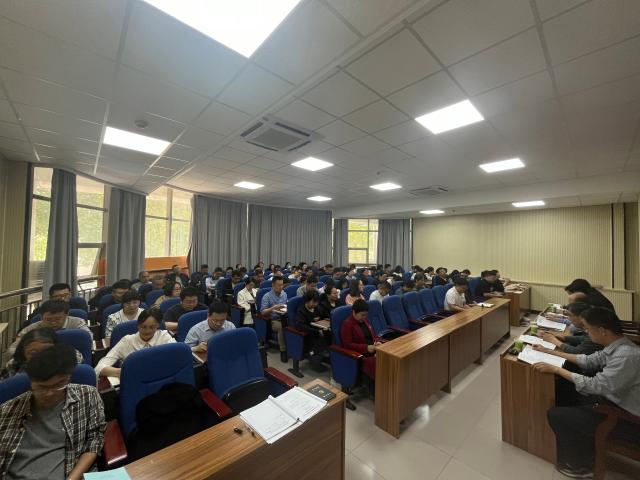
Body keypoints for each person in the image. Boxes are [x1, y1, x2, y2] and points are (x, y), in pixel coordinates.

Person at [532, 307, 640, 478]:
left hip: (626, 418)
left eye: (588, 329)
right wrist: (548, 351)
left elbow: (594, 385)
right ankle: (577, 442)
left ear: (602, 330)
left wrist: (557, 369)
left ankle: (581, 465)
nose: (586, 333)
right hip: (613, 401)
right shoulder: (619, 345)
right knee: (564, 389)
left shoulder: (626, 356)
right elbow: (588, 361)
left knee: (556, 414)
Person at [0, 343, 105, 479]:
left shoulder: (87, 396)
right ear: (31, 382)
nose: (49, 393)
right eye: (42, 387)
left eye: (57, 385)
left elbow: (94, 441)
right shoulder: (8, 411)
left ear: (67, 378)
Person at [95, 308, 175, 378]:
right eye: (143, 327)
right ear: (138, 325)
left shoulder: (164, 337)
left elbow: (178, 357)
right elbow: (99, 368)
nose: (147, 331)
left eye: (152, 327)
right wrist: (123, 372)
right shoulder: (127, 341)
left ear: (158, 325)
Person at [6, 300, 91, 361]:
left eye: (57, 319)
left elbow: (89, 338)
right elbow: (11, 350)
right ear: (41, 317)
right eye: (48, 319)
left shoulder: (77, 322)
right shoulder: (31, 328)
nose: (53, 323)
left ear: (66, 315)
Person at [2, 328, 83, 379]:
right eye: (33, 353)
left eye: (46, 351)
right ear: (23, 354)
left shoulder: (72, 355)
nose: (41, 357)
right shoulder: (14, 364)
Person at [538, 303, 602, 355]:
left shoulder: (594, 331)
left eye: (570, 315)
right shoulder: (589, 328)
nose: (568, 318)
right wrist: (563, 337)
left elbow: (576, 352)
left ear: (580, 317)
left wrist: (553, 340)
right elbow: (583, 338)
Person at [341, 300, 382, 380]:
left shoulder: (365, 320)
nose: (364, 317)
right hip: (361, 355)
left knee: (389, 357)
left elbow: (372, 335)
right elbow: (347, 344)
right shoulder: (347, 324)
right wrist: (366, 348)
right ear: (354, 312)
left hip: (373, 350)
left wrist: (376, 342)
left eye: (366, 315)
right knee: (379, 363)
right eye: (362, 315)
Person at [295, 290, 331, 369]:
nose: (315, 304)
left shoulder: (317, 308)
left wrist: (327, 319)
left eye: (317, 302)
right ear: (307, 300)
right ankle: (317, 354)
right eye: (313, 302)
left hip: (321, 331)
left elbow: (324, 316)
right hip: (310, 335)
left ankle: (327, 353)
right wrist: (317, 331)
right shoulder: (301, 311)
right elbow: (300, 325)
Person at [260, 277, 288, 362]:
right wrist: (273, 308)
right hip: (273, 320)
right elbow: (263, 312)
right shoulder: (267, 296)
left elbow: (286, 304)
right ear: (273, 285)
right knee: (281, 327)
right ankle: (283, 350)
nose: (281, 287)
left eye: (282, 285)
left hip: (284, 317)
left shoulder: (284, 294)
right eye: (279, 285)